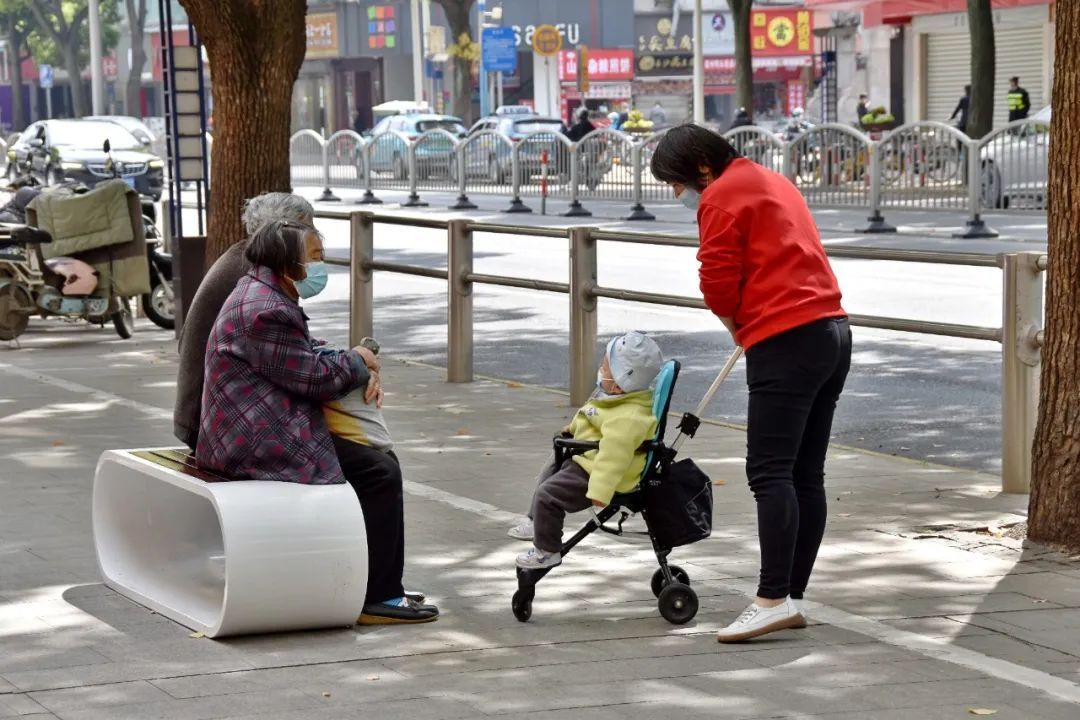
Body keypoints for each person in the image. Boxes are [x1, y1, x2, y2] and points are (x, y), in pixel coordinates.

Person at [649, 125, 851, 643]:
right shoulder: (772, 180)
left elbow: (717, 283)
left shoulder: (719, 197)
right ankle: (792, 595)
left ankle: (771, 598)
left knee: (769, 472)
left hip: (786, 341)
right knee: (807, 472)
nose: (677, 193)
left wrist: (743, 327)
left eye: (676, 181)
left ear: (699, 166)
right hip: (833, 330)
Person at [197, 219, 438, 625]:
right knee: (379, 471)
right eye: (315, 258)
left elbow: (301, 354)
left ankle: (379, 585)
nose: (320, 266)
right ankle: (377, 597)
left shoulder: (259, 291)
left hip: (251, 427)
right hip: (254, 440)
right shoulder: (267, 309)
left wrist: (355, 360)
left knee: (380, 466)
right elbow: (315, 379)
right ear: (288, 263)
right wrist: (359, 361)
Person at [510, 331, 664, 569]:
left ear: (621, 382)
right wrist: (573, 428)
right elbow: (593, 417)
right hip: (586, 458)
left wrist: (601, 491)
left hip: (595, 471)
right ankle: (535, 521)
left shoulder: (629, 417)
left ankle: (547, 551)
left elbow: (615, 456)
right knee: (549, 470)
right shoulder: (617, 401)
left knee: (548, 495)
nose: (601, 371)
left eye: (605, 368)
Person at [174, 193, 315, 450]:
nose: (313, 235)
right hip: (217, 427)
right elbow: (301, 371)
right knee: (374, 467)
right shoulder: (258, 272)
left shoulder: (243, 257)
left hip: (208, 416)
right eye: (306, 227)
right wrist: (358, 365)